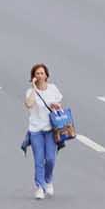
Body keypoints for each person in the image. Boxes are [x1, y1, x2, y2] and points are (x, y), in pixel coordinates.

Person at [23, 64, 64, 200]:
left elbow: (59, 106)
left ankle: (48, 180)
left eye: (42, 73)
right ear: (33, 77)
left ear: (46, 75)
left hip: (50, 130)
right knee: (39, 160)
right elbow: (28, 104)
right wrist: (35, 89)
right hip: (36, 130)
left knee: (51, 159)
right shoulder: (30, 92)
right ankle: (40, 187)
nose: (39, 76)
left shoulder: (53, 89)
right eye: (37, 74)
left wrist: (56, 106)